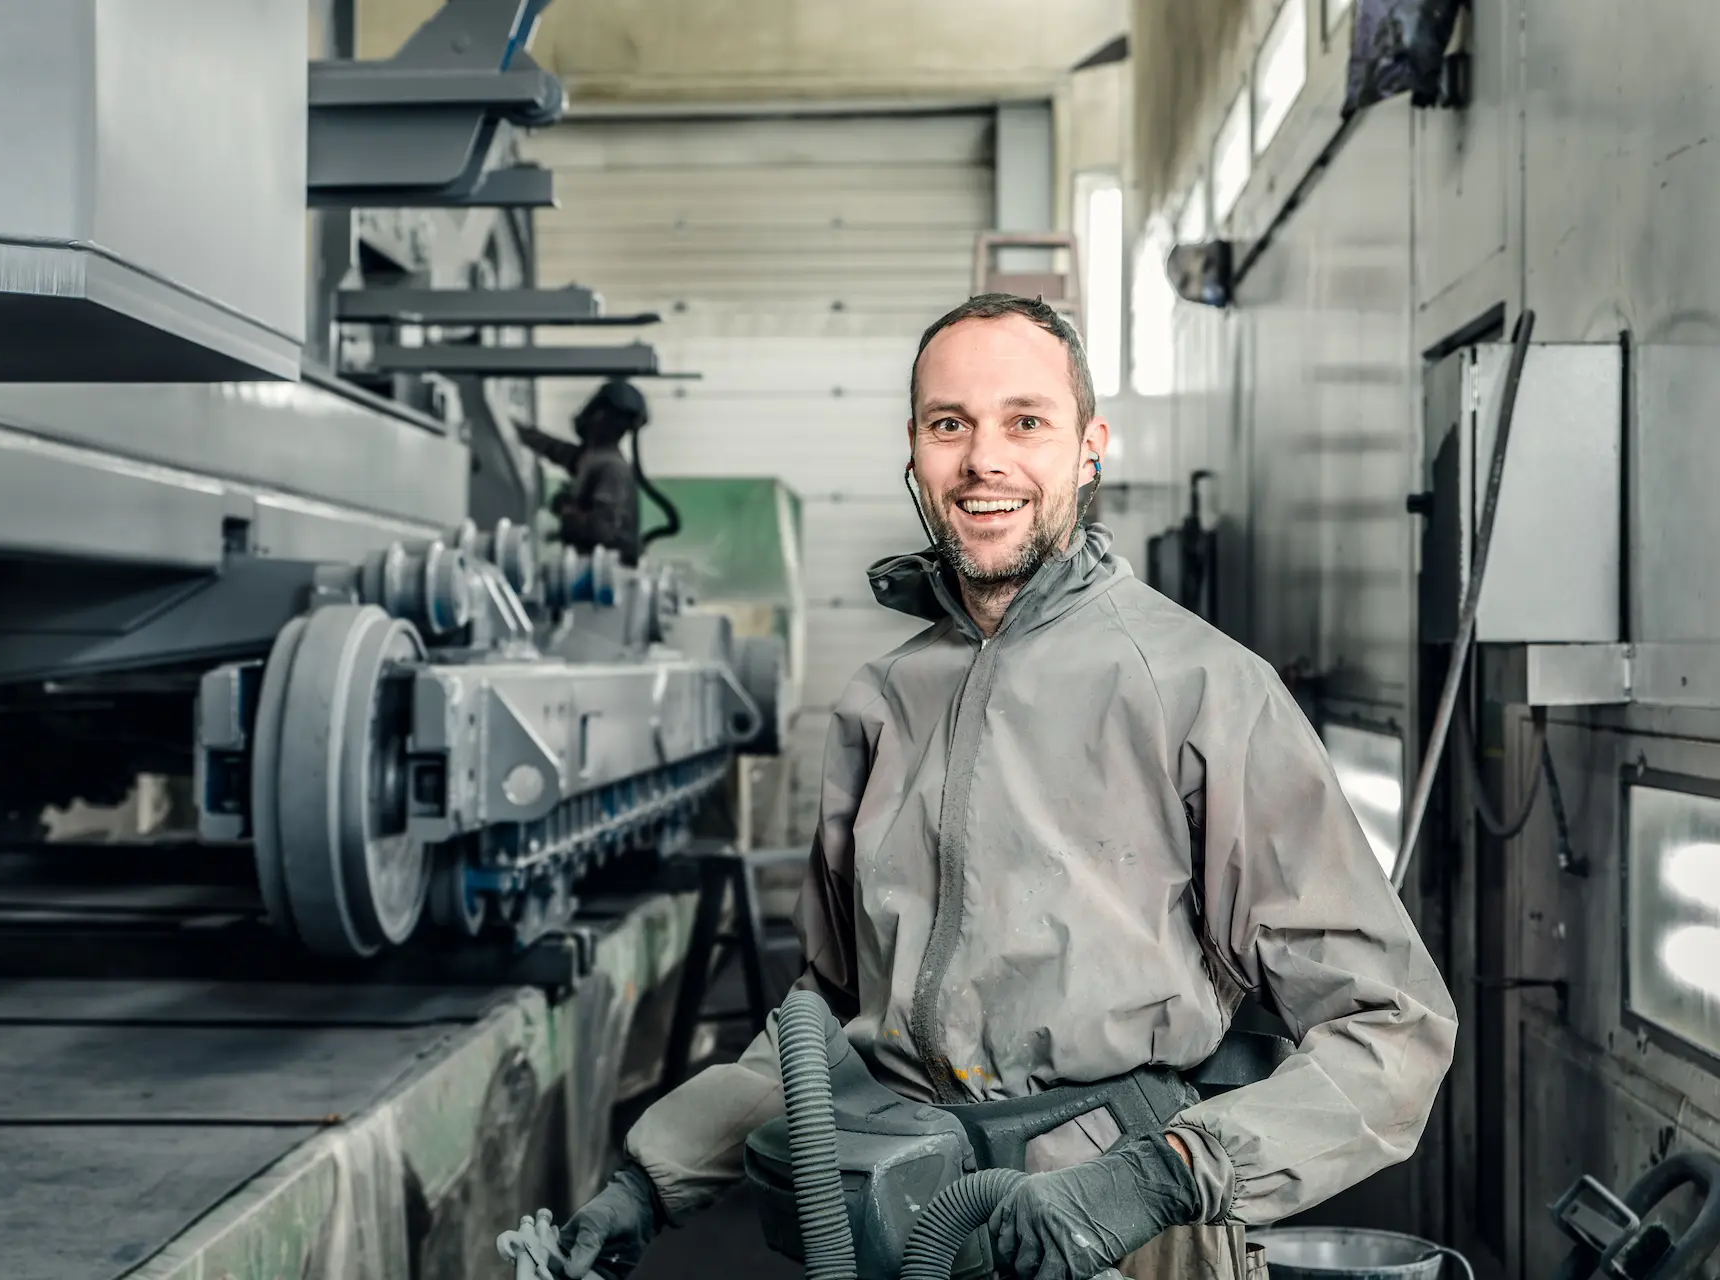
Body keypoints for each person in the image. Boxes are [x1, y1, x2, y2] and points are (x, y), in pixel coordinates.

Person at [555, 294, 1458, 1280]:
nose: (985, 459)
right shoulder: (882, 702)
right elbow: (829, 1019)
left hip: (1124, 1236)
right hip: (906, 1227)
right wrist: (653, 1174)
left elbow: (1391, 1028)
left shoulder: (1201, 689)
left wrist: (1162, 1177)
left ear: (1088, 448)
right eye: (952, 424)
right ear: (915, 452)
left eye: (1025, 420)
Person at [516, 379, 648, 563]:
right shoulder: (592, 458)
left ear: (600, 416)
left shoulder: (611, 468)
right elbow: (553, 448)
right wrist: (515, 430)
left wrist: (565, 510)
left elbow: (602, 530)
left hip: (602, 576)